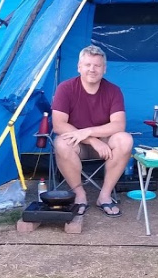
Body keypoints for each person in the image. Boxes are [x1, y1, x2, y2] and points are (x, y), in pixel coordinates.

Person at [50, 45, 133, 217]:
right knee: (61, 143)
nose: (92, 69)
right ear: (79, 67)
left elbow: (119, 125)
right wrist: (91, 139)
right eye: (87, 65)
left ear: (104, 69)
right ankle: (80, 195)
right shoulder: (65, 89)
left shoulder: (113, 91)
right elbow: (58, 125)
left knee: (125, 139)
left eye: (97, 65)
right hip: (77, 145)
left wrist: (88, 132)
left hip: (105, 146)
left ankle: (104, 196)